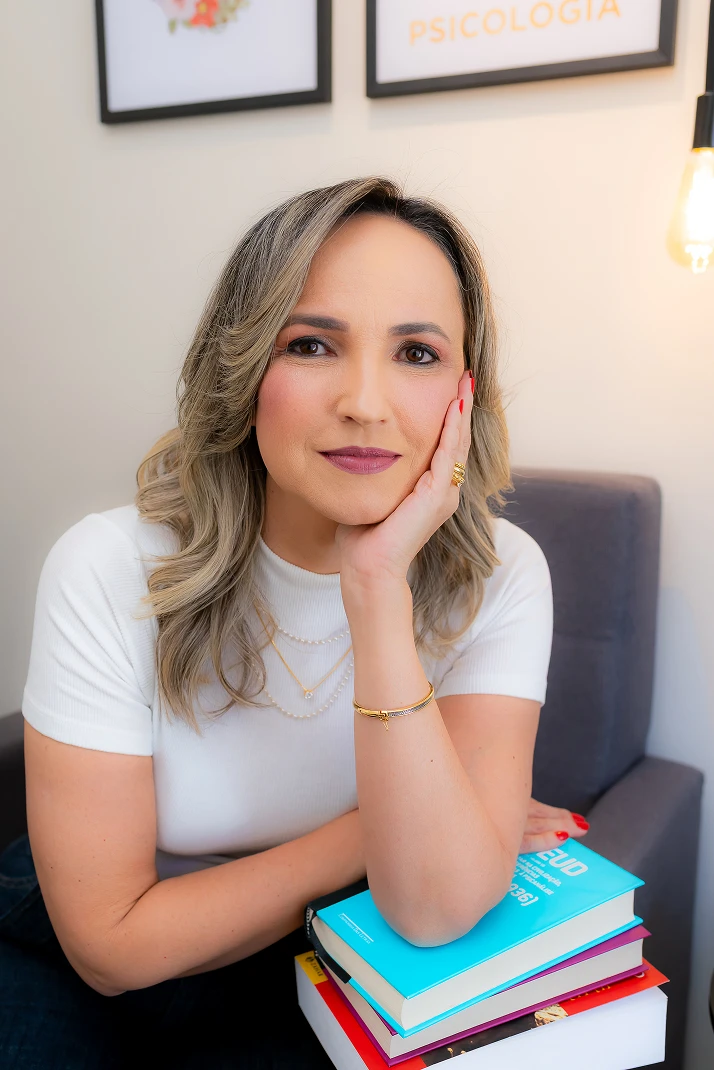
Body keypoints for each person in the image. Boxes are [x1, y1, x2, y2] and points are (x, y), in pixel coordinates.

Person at [0, 176, 590, 1068]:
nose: (365, 402)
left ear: (465, 394)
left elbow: (433, 908)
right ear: (242, 370)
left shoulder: (500, 578)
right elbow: (111, 946)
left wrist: (377, 586)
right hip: (75, 970)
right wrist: (377, 831)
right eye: (312, 344)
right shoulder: (109, 565)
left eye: (417, 353)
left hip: (331, 961)